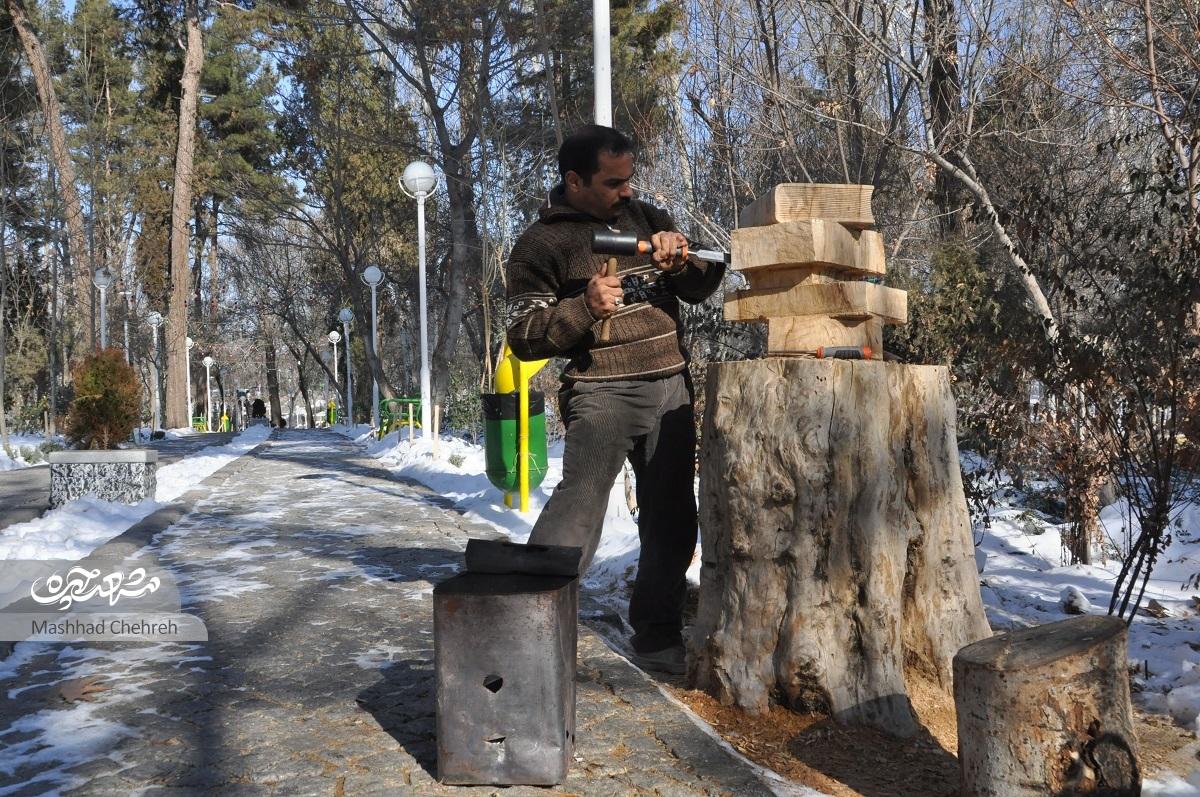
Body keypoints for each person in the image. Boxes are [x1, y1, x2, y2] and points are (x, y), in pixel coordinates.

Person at [505, 125, 724, 674]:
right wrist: (585, 306)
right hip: (600, 395)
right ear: (574, 180)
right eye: (613, 182)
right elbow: (523, 335)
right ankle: (524, 629)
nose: (626, 192)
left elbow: (702, 285)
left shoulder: (645, 219)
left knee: (673, 520)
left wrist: (685, 260)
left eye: (630, 180)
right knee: (577, 516)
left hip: (670, 387)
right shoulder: (541, 243)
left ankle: (656, 634)